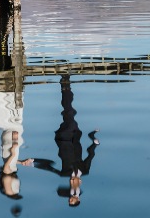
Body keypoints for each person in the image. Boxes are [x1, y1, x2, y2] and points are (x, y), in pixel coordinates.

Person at [26, 74, 100, 207]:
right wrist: (94, 140)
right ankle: (65, 85)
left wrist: (33, 161)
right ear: (79, 183)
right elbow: (90, 156)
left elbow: (49, 167)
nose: (71, 181)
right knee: (68, 111)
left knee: (69, 112)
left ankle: (65, 83)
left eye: (70, 183)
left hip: (63, 138)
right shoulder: (85, 170)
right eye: (73, 198)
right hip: (75, 136)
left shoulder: (64, 173)